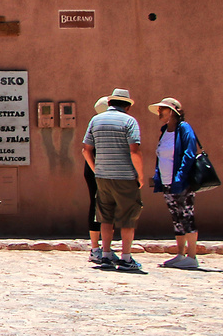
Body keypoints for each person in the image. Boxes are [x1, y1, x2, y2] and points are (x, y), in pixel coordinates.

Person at [82, 88, 145, 273]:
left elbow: (86, 149)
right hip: (124, 176)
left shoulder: (95, 120)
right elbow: (135, 151)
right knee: (127, 218)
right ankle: (126, 258)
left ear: (109, 103)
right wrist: (140, 175)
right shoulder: (129, 121)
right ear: (127, 105)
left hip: (102, 177)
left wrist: (96, 170)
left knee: (105, 217)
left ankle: (107, 255)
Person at [149, 98, 202, 270]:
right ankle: (180, 254)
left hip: (181, 182)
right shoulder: (165, 131)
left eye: (162, 110)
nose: (159, 113)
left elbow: (189, 153)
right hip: (166, 181)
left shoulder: (184, 129)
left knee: (187, 216)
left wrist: (180, 177)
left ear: (171, 112)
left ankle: (192, 256)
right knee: (177, 218)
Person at [84, 96, 108, 264]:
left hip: (101, 170)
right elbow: (87, 150)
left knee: (105, 208)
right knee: (98, 206)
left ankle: (104, 247)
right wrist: (96, 171)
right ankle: (96, 247)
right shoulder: (98, 124)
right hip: (99, 170)